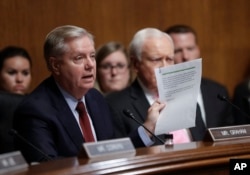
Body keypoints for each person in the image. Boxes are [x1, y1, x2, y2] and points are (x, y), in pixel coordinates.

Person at [13, 25, 165, 163]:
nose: (90, 65)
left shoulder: (95, 98)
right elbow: (47, 166)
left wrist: (147, 128)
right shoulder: (35, 111)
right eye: (79, 58)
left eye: (92, 56)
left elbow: (116, 151)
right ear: (56, 65)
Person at [105, 28, 179, 142]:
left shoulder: (185, 94)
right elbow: (119, 153)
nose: (165, 67)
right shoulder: (115, 105)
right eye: (156, 60)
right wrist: (147, 129)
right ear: (135, 64)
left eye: (169, 59)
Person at [164, 24, 234, 140]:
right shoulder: (158, 95)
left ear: (198, 51)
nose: (185, 56)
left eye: (190, 49)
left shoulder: (218, 92)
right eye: (177, 51)